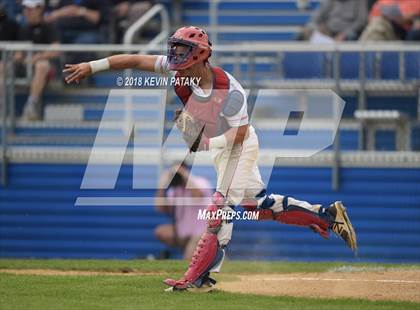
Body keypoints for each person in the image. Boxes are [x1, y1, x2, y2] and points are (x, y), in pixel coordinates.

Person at [63, 25, 358, 292]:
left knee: (220, 210)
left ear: (200, 55)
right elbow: (134, 60)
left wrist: (203, 139)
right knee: (256, 205)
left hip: (238, 145)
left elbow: (240, 136)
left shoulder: (230, 90)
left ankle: (199, 279)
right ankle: (328, 215)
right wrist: (93, 65)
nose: (175, 57)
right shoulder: (180, 69)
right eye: (175, 50)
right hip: (221, 147)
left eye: (183, 51)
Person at [154, 162, 211, 261]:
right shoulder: (175, 190)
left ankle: (200, 253)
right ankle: (193, 250)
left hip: (202, 231)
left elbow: (198, 196)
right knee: (161, 231)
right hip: (183, 232)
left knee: (188, 260)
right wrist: (161, 187)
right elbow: (161, 208)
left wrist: (185, 176)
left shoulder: (200, 182)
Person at [15, 0, 59, 120]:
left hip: (47, 70)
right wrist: (19, 57)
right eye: (25, 8)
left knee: (42, 65)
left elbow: (56, 50)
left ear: (40, 9)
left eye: (30, 9)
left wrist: (37, 57)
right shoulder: (22, 29)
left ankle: (31, 105)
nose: (27, 12)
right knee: (2, 65)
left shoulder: (49, 27)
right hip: (25, 66)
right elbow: (18, 53)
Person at [302, 0, 368, 42]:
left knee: (351, 36)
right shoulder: (329, 1)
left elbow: (361, 21)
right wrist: (317, 31)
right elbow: (315, 19)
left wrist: (344, 35)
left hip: (347, 34)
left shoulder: (359, 1)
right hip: (327, 32)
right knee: (305, 33)